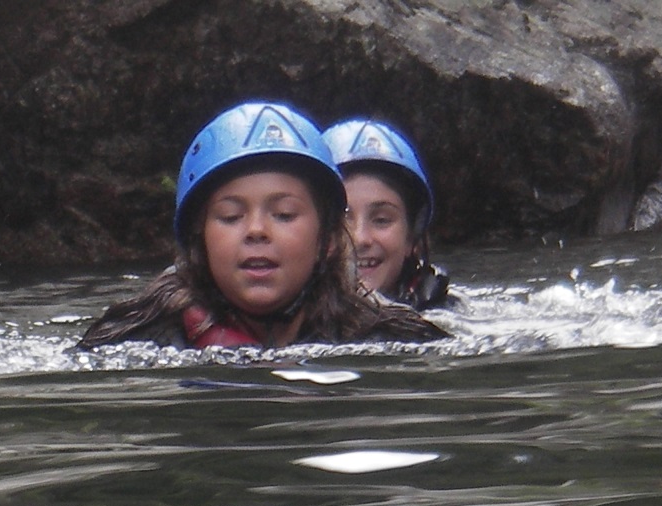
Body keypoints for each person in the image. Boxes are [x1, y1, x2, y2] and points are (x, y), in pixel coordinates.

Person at [78, 102, 448, 349]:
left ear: (328, 242)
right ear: (199, 239)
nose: (257, 230)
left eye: (284, 214)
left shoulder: (385, 334)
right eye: (230, 216)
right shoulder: (137, 336)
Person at [322, 118, 452, 310]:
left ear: (412, 240)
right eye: (342, 221)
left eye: (381, 220)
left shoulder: (444, 318)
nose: (359, 238)